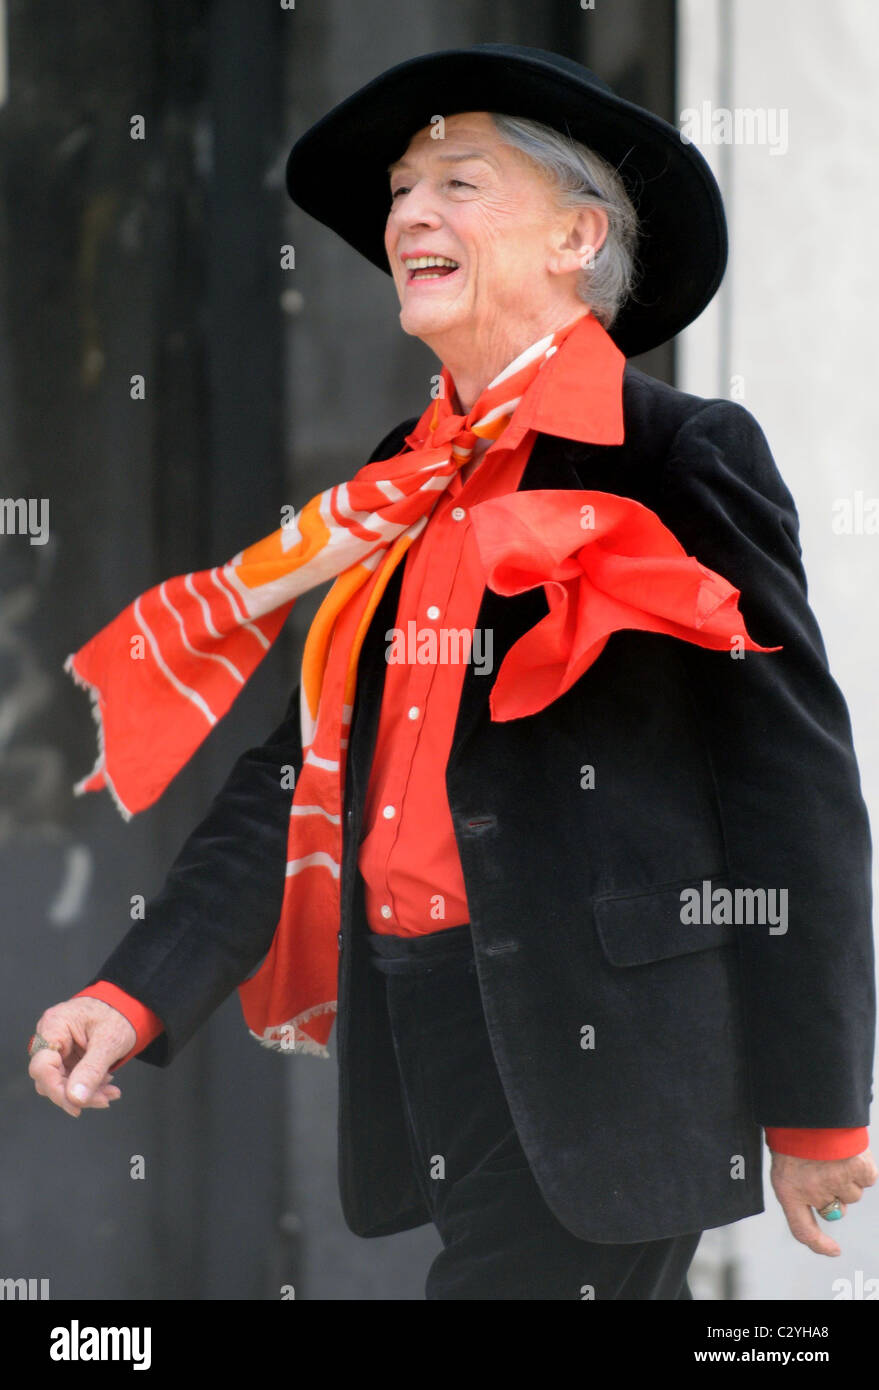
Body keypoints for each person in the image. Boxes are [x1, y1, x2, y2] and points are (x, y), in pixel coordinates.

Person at [29, 44, 875, 1300]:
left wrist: (816, 1107)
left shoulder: (679, 450)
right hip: (433, 1024)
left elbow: (791, 779)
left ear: (576, 235)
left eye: (459, 183)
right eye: (402, 190)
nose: (410, 213)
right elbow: (303, 763)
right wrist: (137, 990)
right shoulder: (398, 474)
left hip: (616, 1051)